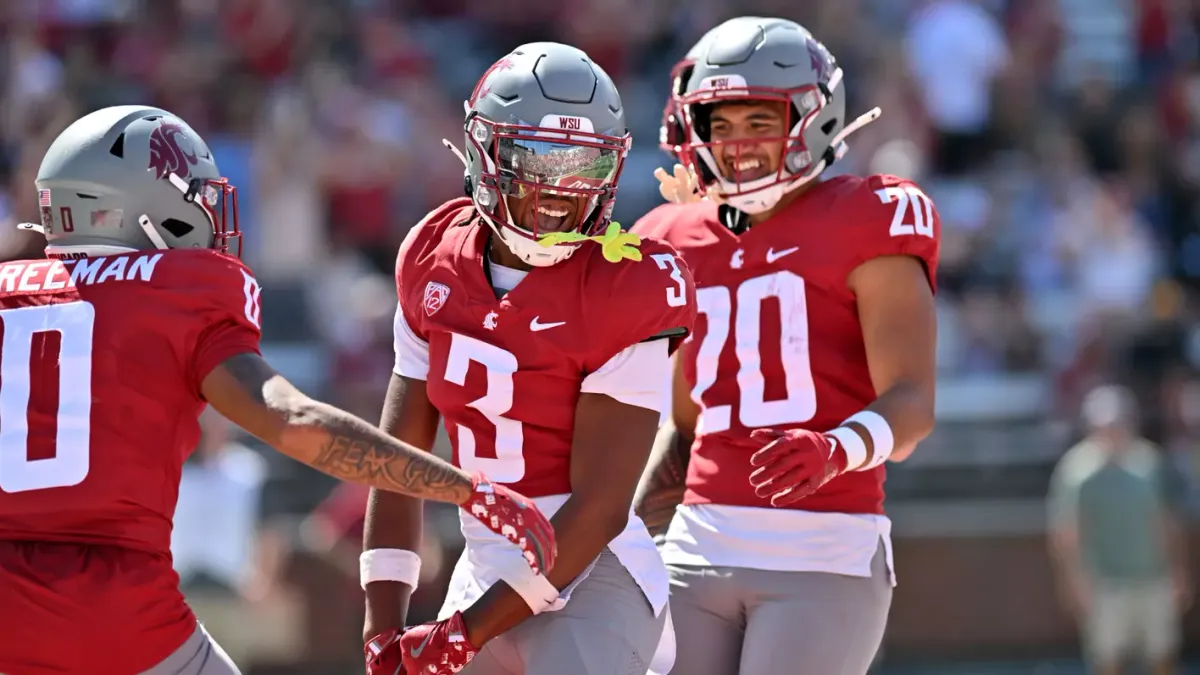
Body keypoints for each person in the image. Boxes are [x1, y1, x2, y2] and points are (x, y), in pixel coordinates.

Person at [0, 105, 556, 675]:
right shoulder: (178, 288)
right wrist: (464, 488)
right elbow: (292, 420)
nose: (207, 213)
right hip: (110, 599)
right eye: (194, 196)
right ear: (144, 204)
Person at [361, 42, 696, 675]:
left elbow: (598, 507)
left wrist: (463, 634)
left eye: (583, 164)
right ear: (486, 152)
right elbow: (397, 463)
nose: (560, 187)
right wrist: (382, 623)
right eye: (539, 157)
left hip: (594, 576)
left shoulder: (625, 285)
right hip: (483, 572)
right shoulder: (434, 255)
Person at [632, 18, 939, 675]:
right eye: (720, 124)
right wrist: (625, 528)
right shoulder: (669, 236)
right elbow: (687, 420)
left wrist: (837, 447)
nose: (737, 143)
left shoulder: (868, 215)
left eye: (759, 121)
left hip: (822, 547)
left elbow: (912, 403)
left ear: (813, 118)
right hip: (698, 542)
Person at [1049, 385, 1191, 675]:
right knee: (1107, 659)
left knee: (1163, 654)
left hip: (1153, 577)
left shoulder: (1150, 462)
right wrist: (1074, 580)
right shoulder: (1076, 470)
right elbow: (1066, 531)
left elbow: (1167, 519)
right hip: (1105, 582)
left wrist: (1178, 569)